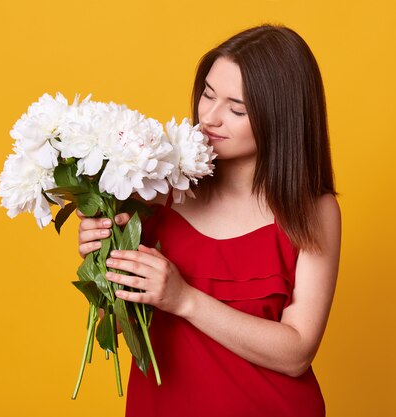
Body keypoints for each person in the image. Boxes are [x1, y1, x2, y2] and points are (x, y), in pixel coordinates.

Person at [76, 24, 341, 417]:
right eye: (208, 94)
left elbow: (297, 353)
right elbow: (112, 328)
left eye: (237, 109)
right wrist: (102, 261)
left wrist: (184, 299)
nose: (210, 118)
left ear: (282, 117)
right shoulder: (152, 188)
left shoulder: (313, 210)